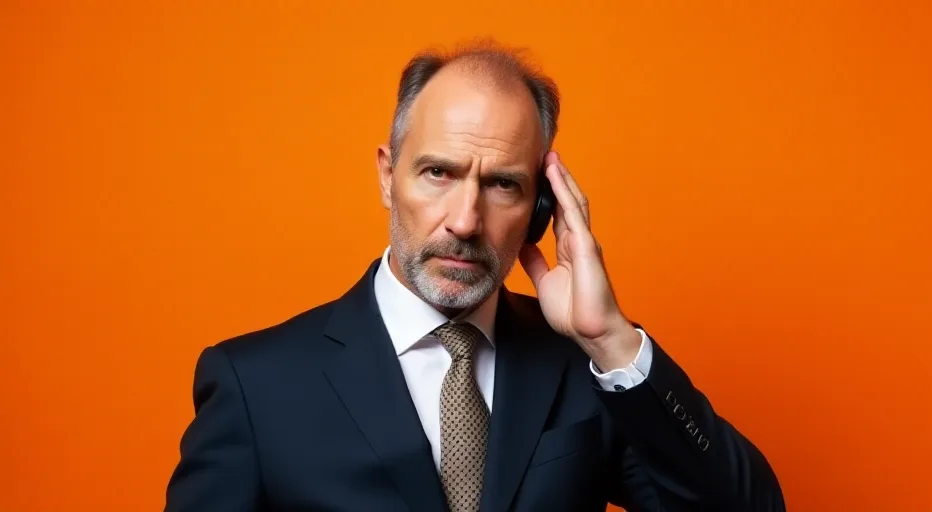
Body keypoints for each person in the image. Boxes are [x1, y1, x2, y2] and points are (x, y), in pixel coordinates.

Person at [165, 41, 785, 512]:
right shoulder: (254, 386)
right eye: (438, 172)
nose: (465, 220)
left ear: (542, 209)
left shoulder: (587, 367)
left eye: (503, 185)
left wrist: (611, 340)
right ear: (387, 176)